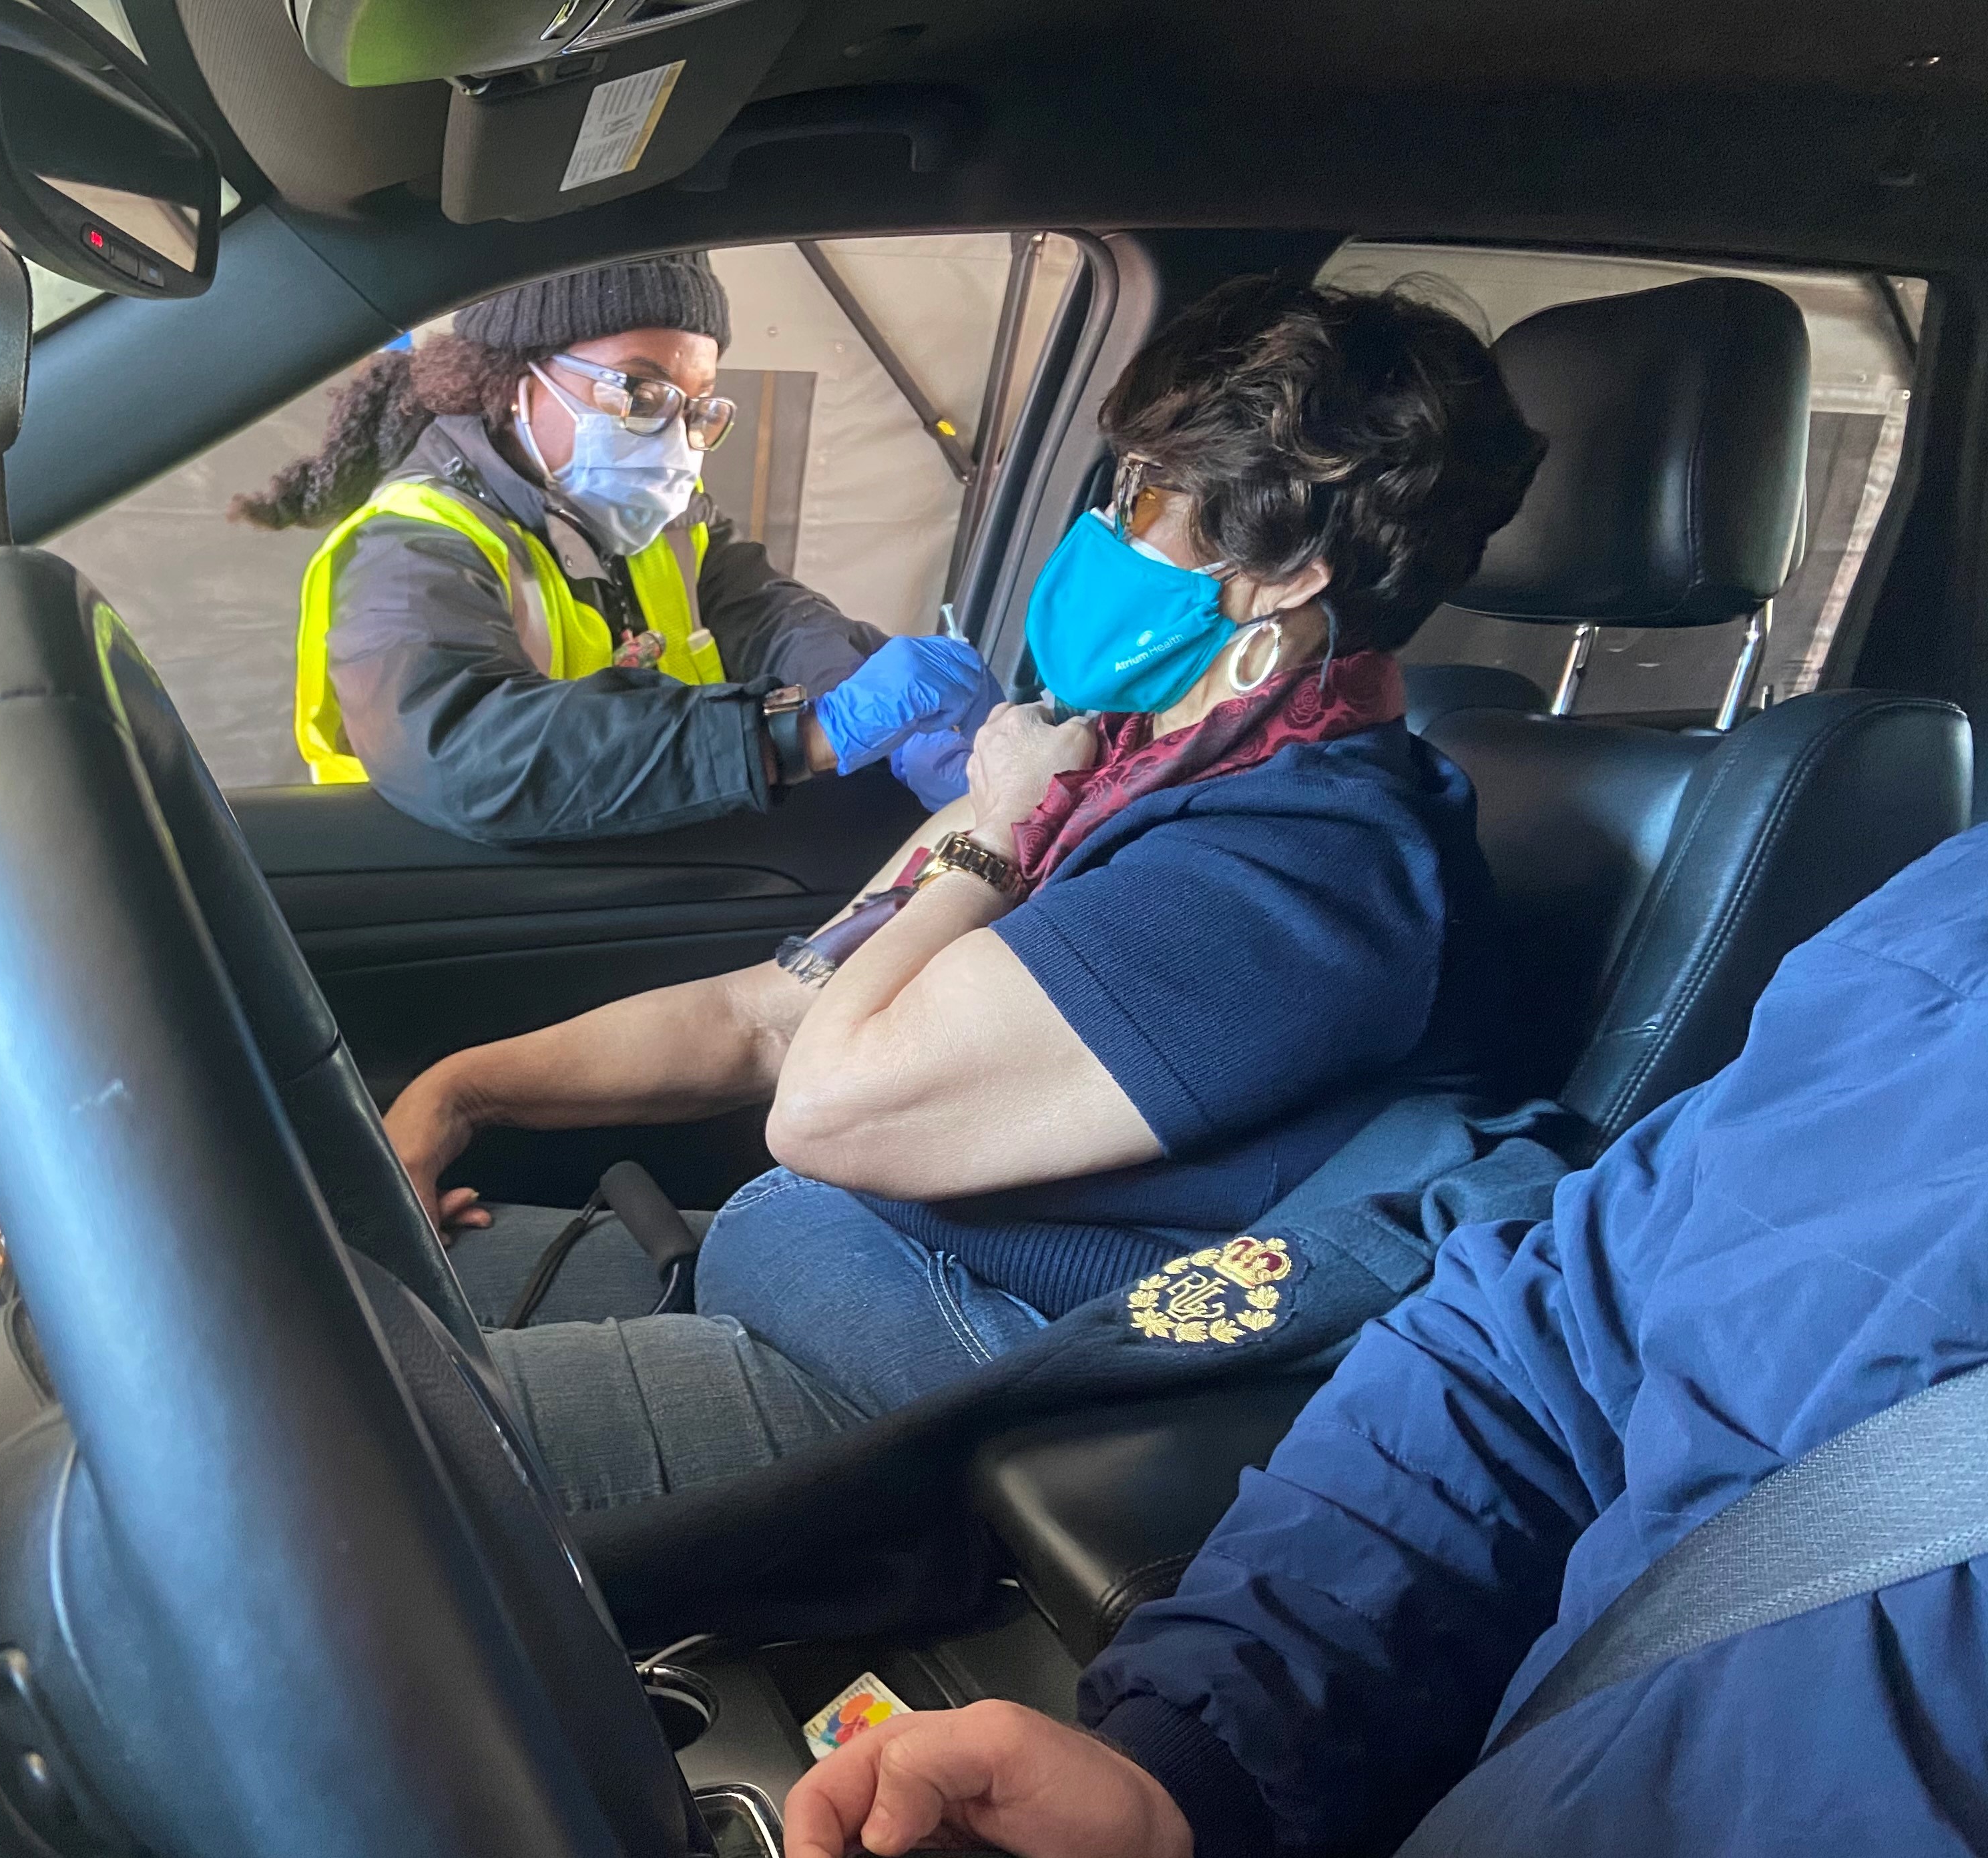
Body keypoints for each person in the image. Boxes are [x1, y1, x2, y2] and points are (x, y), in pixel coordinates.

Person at [387, 276, 1547, 1478]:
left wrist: (992, 823)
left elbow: (822, 1101)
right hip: (808, 1280)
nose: (1106, 528)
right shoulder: (1120, 762)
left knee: (298, 1447)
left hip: (943, 1391)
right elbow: (775, 1011)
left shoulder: (1292, 875)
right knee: (322, 1291)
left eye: (1145, 494)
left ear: (1291, 566)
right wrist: (461, 1092)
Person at [780, 819, 1988, 1858]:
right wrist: (1184, 1772)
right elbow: (1544, 1355)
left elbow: (809, 1089)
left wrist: (985, 829)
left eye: (1141, 530)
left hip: (1005, 1346)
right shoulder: (1947, 933)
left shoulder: (1313, 847)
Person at [236, 252, 997, 844]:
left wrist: (880, 704)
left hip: (621, 859)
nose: (676, 437)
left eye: (698, 406)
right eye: (640, 392)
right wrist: (795, 736)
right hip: (460, 907)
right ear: (514, 382)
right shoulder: (415, 544)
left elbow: (763, 616)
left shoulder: (650, 518)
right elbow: (460, 749)